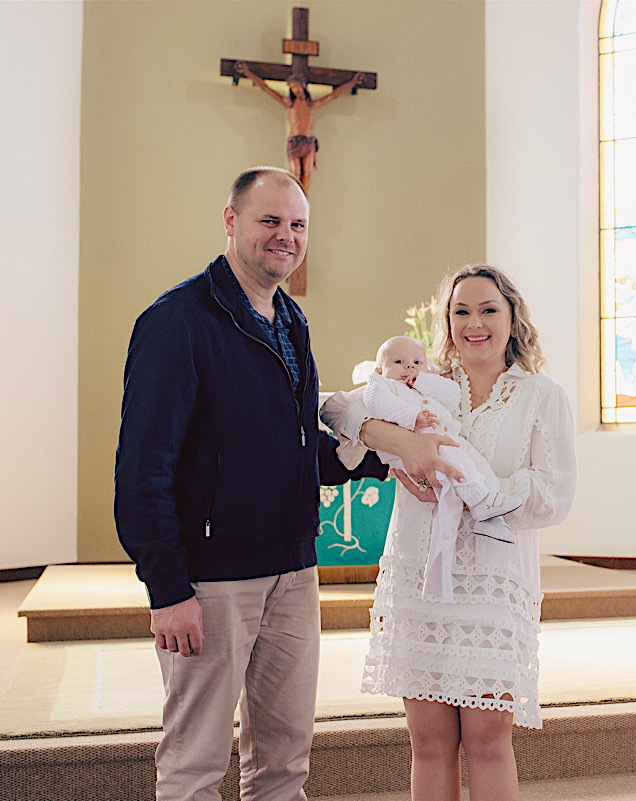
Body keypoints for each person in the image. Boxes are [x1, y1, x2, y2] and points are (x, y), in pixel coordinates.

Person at [114, 166, 460, 801]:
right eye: (269, 221)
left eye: (297, 225)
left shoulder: (290, 320)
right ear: (231, 221)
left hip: (295, 569)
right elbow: (142, 470)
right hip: (213, 578)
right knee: (195, 765)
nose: (286, 236)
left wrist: (389, 459)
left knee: (284, 764)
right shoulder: (176, 322)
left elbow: (299, 443)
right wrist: (166, 587)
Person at [321, 264, 577, 801]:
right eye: (461, 311)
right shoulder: (419, 386)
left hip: (492, 582)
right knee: (429, 740)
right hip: (420, 578)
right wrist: (398, 452)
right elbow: (339, 408)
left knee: (487, 739)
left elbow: (553, 493)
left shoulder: (540, 395)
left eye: (488, 310)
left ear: (513, 319)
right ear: (447, 320)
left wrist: (477, 491)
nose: (474, 323)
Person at [339, 335, 524, 599]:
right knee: (459, 467)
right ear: (380, 370)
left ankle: (490, 509)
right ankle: (483, 504)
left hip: (446, 439)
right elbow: (378, 403)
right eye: (399, 361)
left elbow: (452, 396)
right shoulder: (380, 385)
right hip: (418, 445)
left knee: (477, 464)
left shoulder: (424, 385)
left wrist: (423, 380)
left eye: (417, 362)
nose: (409, 367)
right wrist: (411, 417)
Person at [235, 61, 365, 190]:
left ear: (302, 86)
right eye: (292, 88)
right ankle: (295, 198)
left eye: (296, 86)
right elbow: (265, 88)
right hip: (295, 142)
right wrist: (247, 72)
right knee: (295, 174)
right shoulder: (288, 103)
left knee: (307, 174)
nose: (295, 90)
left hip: (308, 142)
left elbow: (333, 95)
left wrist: (353, 82)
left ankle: (303, 201)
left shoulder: (312, 105)